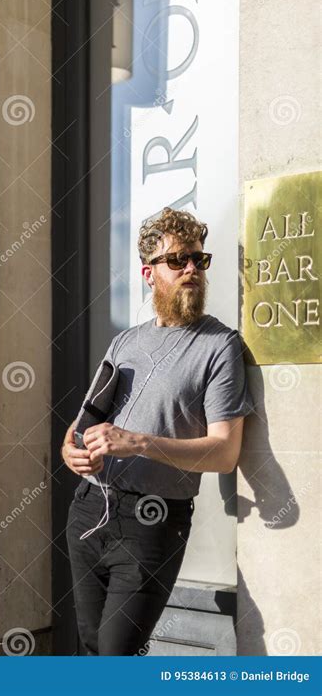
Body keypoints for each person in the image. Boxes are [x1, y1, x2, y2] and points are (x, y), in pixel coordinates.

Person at [61, 207, 254, 656]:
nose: (192, 269)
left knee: (116, 655)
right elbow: (81, 424)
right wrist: (70, 451)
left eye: (199, 261)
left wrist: (139, 443)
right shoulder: (123, 342)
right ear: (149, 273)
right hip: (89, 511)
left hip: (154, 520)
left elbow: (225, 453)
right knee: (91, 650)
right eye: (178, 260)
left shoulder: (220, 346)